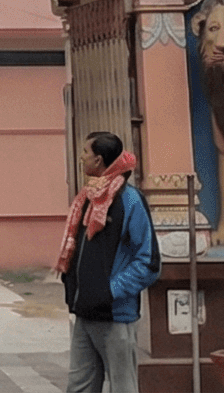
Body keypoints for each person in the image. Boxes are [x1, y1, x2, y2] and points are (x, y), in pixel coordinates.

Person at [58, 132, 160, 393]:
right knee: (78, 387)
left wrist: (109, 291)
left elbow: (148, 263)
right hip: (84, 314)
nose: (81, 158)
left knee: (123, 387)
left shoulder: (130, 201)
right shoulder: (87, 198)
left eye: (84, 152)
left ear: (98, 160)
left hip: (116, 316)